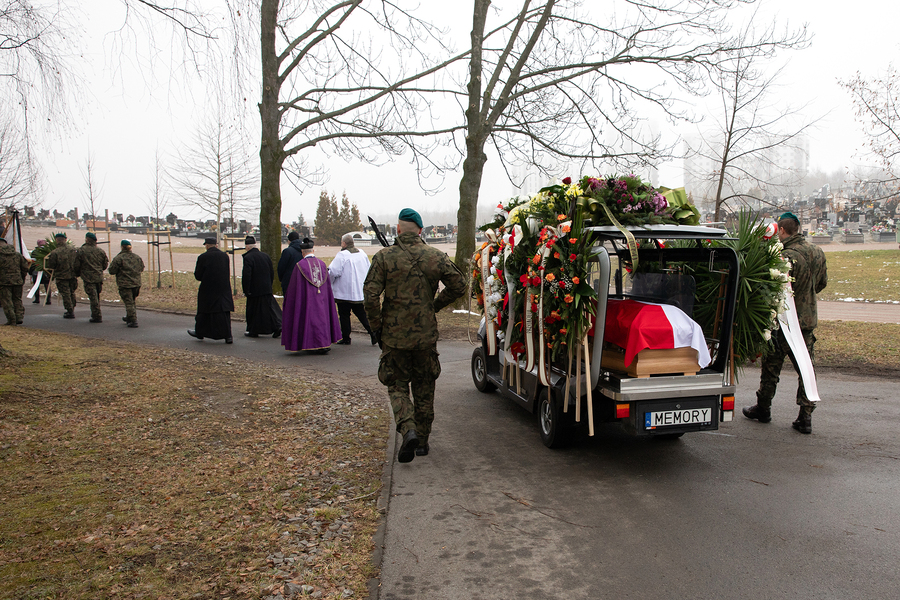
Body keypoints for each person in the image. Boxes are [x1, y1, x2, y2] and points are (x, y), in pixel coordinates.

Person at [363, 208, 466, 462]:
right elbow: (460, 285)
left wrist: (376, 325)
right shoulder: (435, 257)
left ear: (398, 229)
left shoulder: (384, 257)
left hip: (394, 337)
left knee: (397, 385)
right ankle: (421, 441)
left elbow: (370, 295)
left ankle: (407, 428)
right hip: (425, 337)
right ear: (421, 231)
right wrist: (435, 305)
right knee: (424, 386)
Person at [743, 212, 828, 434]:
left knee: (771, 367)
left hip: (784, 321)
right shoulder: (818, 252)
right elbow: (821, 284)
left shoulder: (784, 256)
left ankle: (763, 408)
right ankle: (805, 417)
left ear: (782, 230)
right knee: (806, 369)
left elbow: (772, 288)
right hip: (807, 321)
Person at [280, 238, 341, 353]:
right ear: (313, 250)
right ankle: (323, 343)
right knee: (322, 318)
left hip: (306, 299)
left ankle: (310, 344)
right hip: (322, 299)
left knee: (308, 319)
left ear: (302, 252)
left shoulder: (299, 266)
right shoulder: (322, 264)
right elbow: (327, 285)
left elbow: (294, 288)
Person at [329, 233, 376, 345]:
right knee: (361, 313)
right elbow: (369, 268)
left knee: (344, 315)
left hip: (344, 291)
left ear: (344, 243)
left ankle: (346, 337)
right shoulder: (362, 253)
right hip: (359, 291)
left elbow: (334, 271)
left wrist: (329, 283)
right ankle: (373, 333)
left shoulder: (342, 255)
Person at [189, 238, 234, 343]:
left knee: (204, 312)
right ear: (216, 245)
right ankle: (228, 336)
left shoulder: (203, 257)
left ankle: (200, 332)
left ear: (207, 245)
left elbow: (198, 275)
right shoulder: (225, 256)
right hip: (223, 288)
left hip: (208, 289)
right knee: (223, 312)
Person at [241, 235, 283, 338]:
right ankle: (277, 325)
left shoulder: (248, 258)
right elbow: (271, 271)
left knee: (253, 311)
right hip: (266, 287)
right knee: (269, 309)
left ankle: (253, 330)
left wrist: (246, 289)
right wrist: (269, 283)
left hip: (254, 289)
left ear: (247, 247)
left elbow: (247, 275)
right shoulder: (265, 256)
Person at [108, 239, 145, 328]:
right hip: (136, 283)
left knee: (129, 302)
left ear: (122, 247)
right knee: (131, 301)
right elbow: (141, 268)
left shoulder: (119, 258)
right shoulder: (137, 257)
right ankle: (129, 316)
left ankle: (133, 320)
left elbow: (112, 271)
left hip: (125, 284)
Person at [74, 232, 109, 323]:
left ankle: (97, 316)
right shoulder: (100, 251)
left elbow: (77, 264)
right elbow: (105, 265)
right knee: (96, 296)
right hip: (98, 276)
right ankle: (96, 313)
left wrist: (77, 273)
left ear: (87, 239)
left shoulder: (81, 250)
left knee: (93, 297)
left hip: (88, 277)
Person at [45, 232, 78, 318]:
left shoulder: (55, 252)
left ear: (56, 240)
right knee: (71, 292)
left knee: (65, 293)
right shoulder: (73, 250)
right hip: (72, 275)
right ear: (65, 240)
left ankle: (69, 311)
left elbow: (51, 265)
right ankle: (72, 307)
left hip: (61, 276)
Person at [0, 237, 29, 326]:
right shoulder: (17, 255)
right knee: (17, 299)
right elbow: (25, 267)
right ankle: (19, 316)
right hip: (17, 280)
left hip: (4, 282)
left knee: (6, 300)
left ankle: (11, 319)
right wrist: (22, 277)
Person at [29, 239, 51, 305]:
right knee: (47, 285)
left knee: (36, 285)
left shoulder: (35, 252)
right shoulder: (49, 252)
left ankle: (37, 299)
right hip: (46, 271)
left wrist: (30, 272)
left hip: (36, 271)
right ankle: (48, 300)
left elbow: (32, 262)